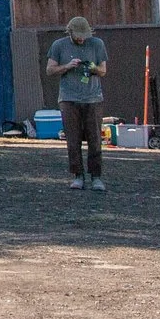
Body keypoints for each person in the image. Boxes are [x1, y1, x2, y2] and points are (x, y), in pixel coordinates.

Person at [44, 16, 109, 192]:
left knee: (95, 139)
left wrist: (93, 68)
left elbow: (103, 71)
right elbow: (50, 70)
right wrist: (67, 66)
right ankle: (77, 175)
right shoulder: (59, 45)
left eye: (84, 35)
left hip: (93, 98)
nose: (81, 39)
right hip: (69, 99)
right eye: (78, 35)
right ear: (70, 32)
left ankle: (96, 176)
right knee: (73, 140)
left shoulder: (97, 44)